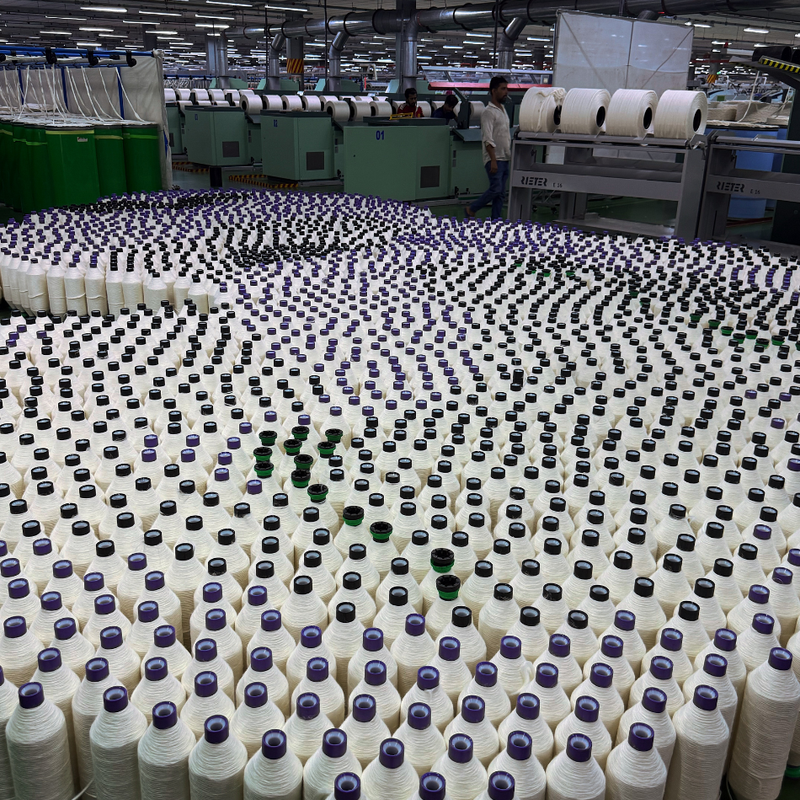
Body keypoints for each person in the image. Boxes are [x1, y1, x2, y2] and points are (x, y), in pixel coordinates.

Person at [466, 76, 510, 220]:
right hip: (495, 158)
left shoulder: (502, 110)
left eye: (506, 89)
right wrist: (493, 160)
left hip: (505, 157)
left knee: (500, 193)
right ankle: (471, 209)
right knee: (496, 189)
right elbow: (487, 138)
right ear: (493, 91)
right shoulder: (488, 112)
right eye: (503, 89)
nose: (506, 92)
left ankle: (495, 220)